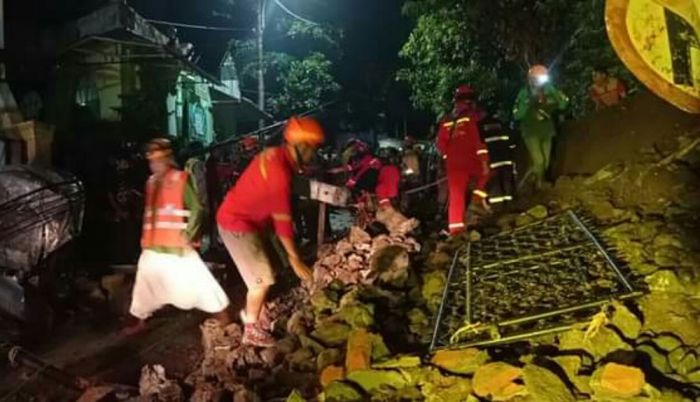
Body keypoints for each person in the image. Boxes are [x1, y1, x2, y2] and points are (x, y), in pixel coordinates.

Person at [217, 117, 324, 347]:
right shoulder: (280, 171)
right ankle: (251, 329)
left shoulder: (277, 156)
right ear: (302, 146)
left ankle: (258, 311)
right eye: (312, 149)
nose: (313, 155)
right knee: (261, 280)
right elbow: (283, 221)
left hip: (250, 222)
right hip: (237, 223)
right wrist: (294, 258)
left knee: (270, 269)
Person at [125, 138, 230, 335]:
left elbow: (197, 209)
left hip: (177, 245)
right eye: (151, 161)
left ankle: (223, 316)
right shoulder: (151, 182)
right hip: (154, 246)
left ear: (167, 160)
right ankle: (139, 318)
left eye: (157, 160)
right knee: (144, 282)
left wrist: (188, 234)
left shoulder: (181, 178)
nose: (154, 164)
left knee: (200, 282)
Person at [436, 85, 491, 236]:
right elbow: (478, 141)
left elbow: (440, 144)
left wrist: (449, 158)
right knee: (486, 175)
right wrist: (484, 160)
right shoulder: (474, 117)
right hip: (472, 160)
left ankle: (455, 231)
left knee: (456, 196)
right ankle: (476, 200)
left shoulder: (446, 120)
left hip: (453, 165)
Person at [513, 65, 569, 189]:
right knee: (539, 160)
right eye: (536, 78)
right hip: (530, 131)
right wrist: (528, 103)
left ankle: (526, 180)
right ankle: (540, 183)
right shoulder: (524, 93)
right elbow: (517, 114)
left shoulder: (549, 90)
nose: (539, 81)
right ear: (530, 79)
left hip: (547, 130)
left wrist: (553, 93)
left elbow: (563, 104)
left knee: (546, 162)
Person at [375, 147, 420, 234]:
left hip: (387, 197)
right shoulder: (395, 168)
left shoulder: (383, 169)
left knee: (392, 216)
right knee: (396, 215)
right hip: (394, 196)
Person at [479, 112, 517, 208]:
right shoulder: (502, 124)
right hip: (506, 157)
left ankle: (497, 206)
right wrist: (512, 154)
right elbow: (512, 140)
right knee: (507, 180)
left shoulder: (480, 127)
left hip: (492, 159)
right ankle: (510, 202)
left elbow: (479, 144)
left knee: (495, 182)